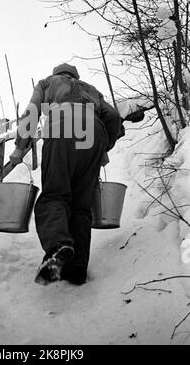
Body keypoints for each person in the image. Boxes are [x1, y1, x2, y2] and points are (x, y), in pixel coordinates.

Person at [9, 63, 122, 285]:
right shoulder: (90, 89)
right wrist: (104, 147)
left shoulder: (47, 83)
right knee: (82, 204)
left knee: (54, 195)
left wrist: (20, 147)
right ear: (75, 76)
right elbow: (113, 117)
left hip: (61, 128)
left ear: (57, 74)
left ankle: (58, 246)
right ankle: (77, 266)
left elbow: (32, 111)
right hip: (94, 133)